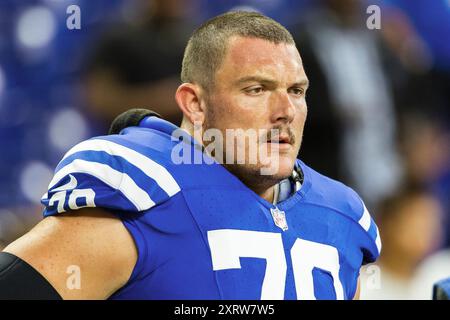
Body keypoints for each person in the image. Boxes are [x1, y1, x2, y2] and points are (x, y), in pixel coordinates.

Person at [0, 11, 380, 300]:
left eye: (296, 91)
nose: (286, 110)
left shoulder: (341, 214)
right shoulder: (144, 191)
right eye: (256, 89)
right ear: (194, 104)